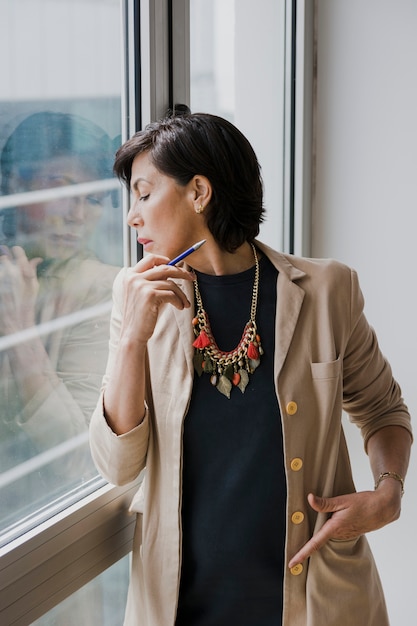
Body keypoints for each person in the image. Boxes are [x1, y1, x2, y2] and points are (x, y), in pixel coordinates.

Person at [89, 111, 412, 626]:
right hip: (180, 605)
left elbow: (383, 409)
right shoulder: (137, 299)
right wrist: (131, 337)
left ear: (199, 191)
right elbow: (117, 465)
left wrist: (388, 492)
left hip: (316, 602)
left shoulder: (328, 290)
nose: (132, 216)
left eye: (145, 194)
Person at [0, 112, 120, 525]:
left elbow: (80, 460)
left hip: (42, 544)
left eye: (92, 199)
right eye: (63, 190)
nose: (77, 215)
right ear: (15, 185)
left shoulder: (101, 290)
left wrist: (19, 332)